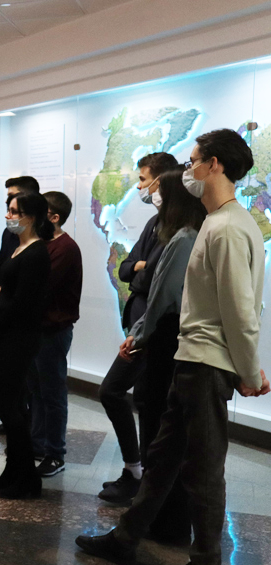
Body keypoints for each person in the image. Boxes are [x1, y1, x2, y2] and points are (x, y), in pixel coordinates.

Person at [77, 129, 269, 565]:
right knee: (162, 459)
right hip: (192, 361)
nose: (188, 170)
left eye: (193, 160)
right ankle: (125, 538)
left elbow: (240, 311)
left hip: (206, 366)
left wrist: (249, 372)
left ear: (215, 164)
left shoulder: (226, 228)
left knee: (202, 472)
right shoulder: (220, 223)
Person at [111, 168, 204, 545]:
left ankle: (164, 524)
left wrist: (139, 336)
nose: (150, 195)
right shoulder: (187, 233)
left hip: (164, 343)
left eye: (156, 188)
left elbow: (161, 296)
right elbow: (130, 272)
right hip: (167, 341)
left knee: (159, 432)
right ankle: (164, 522)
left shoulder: (183, 239)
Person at [98, 152, 179, 503]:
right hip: (140, 325)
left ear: (162, 180)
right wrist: (140, 267)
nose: (140, 187)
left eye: (144, 180)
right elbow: (126, 268)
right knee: (136, 399)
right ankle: (137, 474)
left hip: (155, 332)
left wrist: (142, 269)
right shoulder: (154, 223)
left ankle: (145, 482)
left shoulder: (181, 228)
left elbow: (155, 276)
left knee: (130, 397)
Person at [0, 192, 52, 499]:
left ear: (30, 217)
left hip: (20, 336)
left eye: (14, 211)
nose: (8, 216)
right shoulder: (18, 247)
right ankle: (13, 470)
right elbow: (7, 292)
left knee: (9, 406)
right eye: (8, 210)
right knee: (6, 404)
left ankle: (27, 478)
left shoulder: (36, 253)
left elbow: (19, 301)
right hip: (10, 335)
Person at [27, 192, 82, 477]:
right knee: (36, 391)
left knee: (52, 394)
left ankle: (55, 454)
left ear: (55, 217)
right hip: (36, 330)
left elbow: (40, 286)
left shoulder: (65, 248)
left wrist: (13, 291)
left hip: (53, 331)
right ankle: (37, 444)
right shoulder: (41, 243)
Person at [0, 175, 39, 435]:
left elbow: (27, 287)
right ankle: (13, 421)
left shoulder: (38, 246)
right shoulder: (10, 234)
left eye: (13, 200)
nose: (8, 208)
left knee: (25, 382)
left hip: (21, 324)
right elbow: (2, 265)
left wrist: (6, 292)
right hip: (4, 314)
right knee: (6, 392)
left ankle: (25, 429)